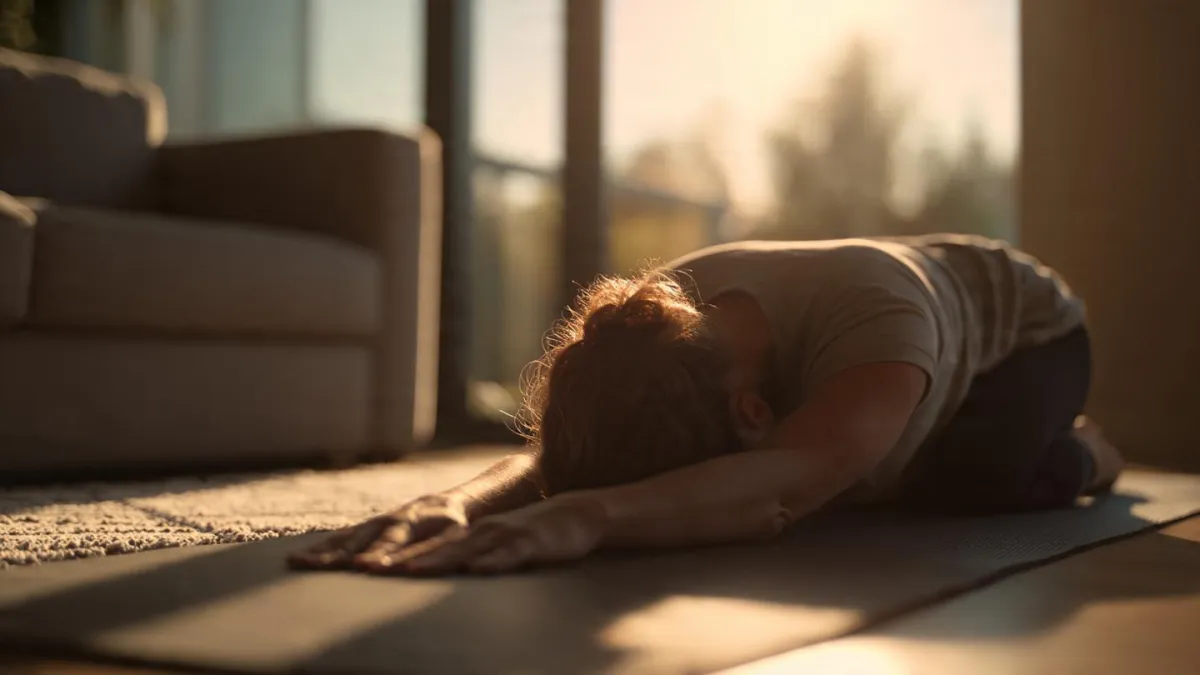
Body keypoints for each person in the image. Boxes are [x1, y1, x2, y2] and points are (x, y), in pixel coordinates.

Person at [289, 234, 1125, 576]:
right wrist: (457, 500)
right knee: (866, 477)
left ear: (754, 416)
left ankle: (1086, 451)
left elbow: (778, 486)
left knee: (958, 484)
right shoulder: (662, 324)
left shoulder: (881, 337)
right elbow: (567, 456)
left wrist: (587, 518)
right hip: (896, 355)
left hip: (1031, 340)